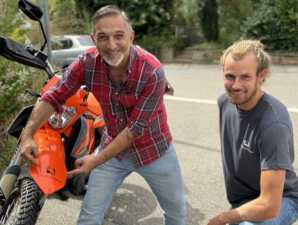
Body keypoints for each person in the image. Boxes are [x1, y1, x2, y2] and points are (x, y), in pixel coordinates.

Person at [19, 5, 186, 225]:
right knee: (88, 218)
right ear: (93, 39)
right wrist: (28, 133)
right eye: (103, 37)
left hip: (155, 151)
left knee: (176, 215)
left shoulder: (152, 71)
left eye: (119, 36)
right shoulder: (87, 62)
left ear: (131, 36)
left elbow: (135, 129)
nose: (112, 45)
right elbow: (55, 95)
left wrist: (95, 160)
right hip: (112, 151)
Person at [208, 40, 298, 225]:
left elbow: (269, 205)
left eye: (245, 77)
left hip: (282, 199)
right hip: (244, 199)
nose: (235, 85)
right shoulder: (225, 102)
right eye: (230, 76)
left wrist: (224, 218)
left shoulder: (273, 123)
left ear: (261, 76)